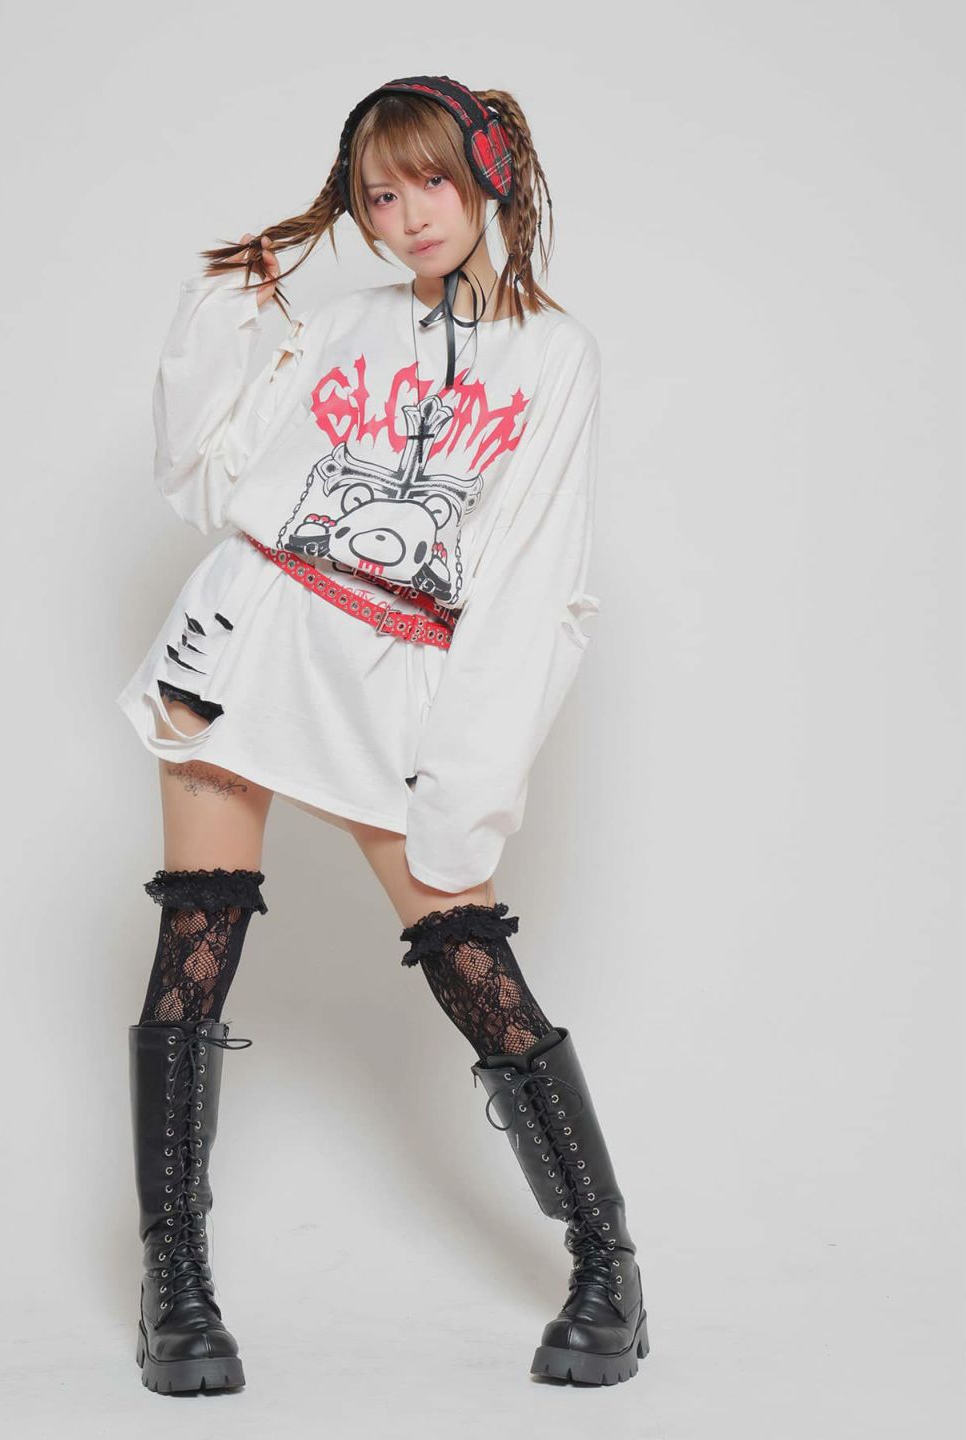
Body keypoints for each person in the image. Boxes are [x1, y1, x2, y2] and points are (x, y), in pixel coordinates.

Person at [118, 75, 649, 1396]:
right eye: (379, 194)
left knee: (465, 951)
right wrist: (223, 317)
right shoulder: (344, 327)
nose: (408, 215)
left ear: (491, 175)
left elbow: (536, 582)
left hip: (393, 671)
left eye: (432, 181)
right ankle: (174, 1285)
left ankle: (607, 1264)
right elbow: (211, 479)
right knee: (195, 940)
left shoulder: (553, 356)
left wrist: (472, 765)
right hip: (249, 639)